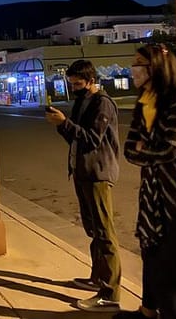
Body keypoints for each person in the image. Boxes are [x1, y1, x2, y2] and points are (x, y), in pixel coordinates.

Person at [115, 45, 176, 319]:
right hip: (151, 192)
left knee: (173, 260)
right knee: (149, 249)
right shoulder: (144, 101)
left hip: (174, 194)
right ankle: (148, 310)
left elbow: (172, 148)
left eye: (139, 63)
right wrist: (145, 151)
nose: (133, 69)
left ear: (156, 68)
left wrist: (144, 151)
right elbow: (129, 150)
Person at [45, 59, 122, 312]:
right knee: (93, 229)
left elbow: (91, 139)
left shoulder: (102, 103)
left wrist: (65, 123)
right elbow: (74, 138)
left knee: (104, 232)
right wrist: (61, 125)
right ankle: (97, 277)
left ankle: (110, 293)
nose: (73, 88)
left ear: (90, 81)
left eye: (77, 83)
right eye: (71, 84)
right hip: (82, 172)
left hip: (98, 173)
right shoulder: (82, 101)